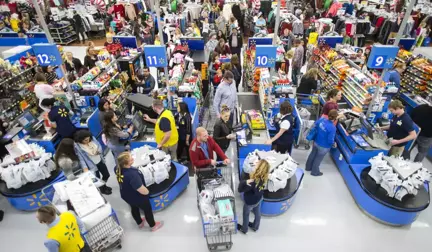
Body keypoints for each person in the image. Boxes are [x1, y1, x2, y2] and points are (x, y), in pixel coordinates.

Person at [116, 152, 164, 231]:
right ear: (126, 163)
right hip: (137, 197)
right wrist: (148, 192)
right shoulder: (132, 175)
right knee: (147, 209)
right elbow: (141, 189)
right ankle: (153, 226)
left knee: (134, 208)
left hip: (126, 195)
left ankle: (140, 223)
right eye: (131, 159)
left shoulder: (117, 168)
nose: (133, 158)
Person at [75, 130, 112, 195]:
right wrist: (85, 168)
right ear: (80, 140)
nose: (88, 141)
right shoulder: (78, 147)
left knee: (106, 175)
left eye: (88, 139)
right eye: (85, 140)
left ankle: (103, 185)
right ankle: (103, 189)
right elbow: (81, 159)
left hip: (99, 160)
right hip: (92, 165)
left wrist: (98, 151)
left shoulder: (92, 138)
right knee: (97, 179)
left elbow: (99, 145)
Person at [237, 159, 269, 234]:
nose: (256, 162)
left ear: (259, 168)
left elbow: (240, 189)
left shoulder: (252, 182)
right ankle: (255, 226)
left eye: (258, 163)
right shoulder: (265, 177)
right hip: (259, 198)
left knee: (246, 214)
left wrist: (245, 182)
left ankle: (244, 229)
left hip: (250, 202)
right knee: (258, 213)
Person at [305, 109, 338, 176]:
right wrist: (334, 144)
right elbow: (330, 140)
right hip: (324, 146)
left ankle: (308, 167)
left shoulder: (322, 120)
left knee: (312, 154)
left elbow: (315, 125)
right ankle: (314, 172)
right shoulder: (332, 127)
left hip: (316, 141)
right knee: (318, 159)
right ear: (335, 118)